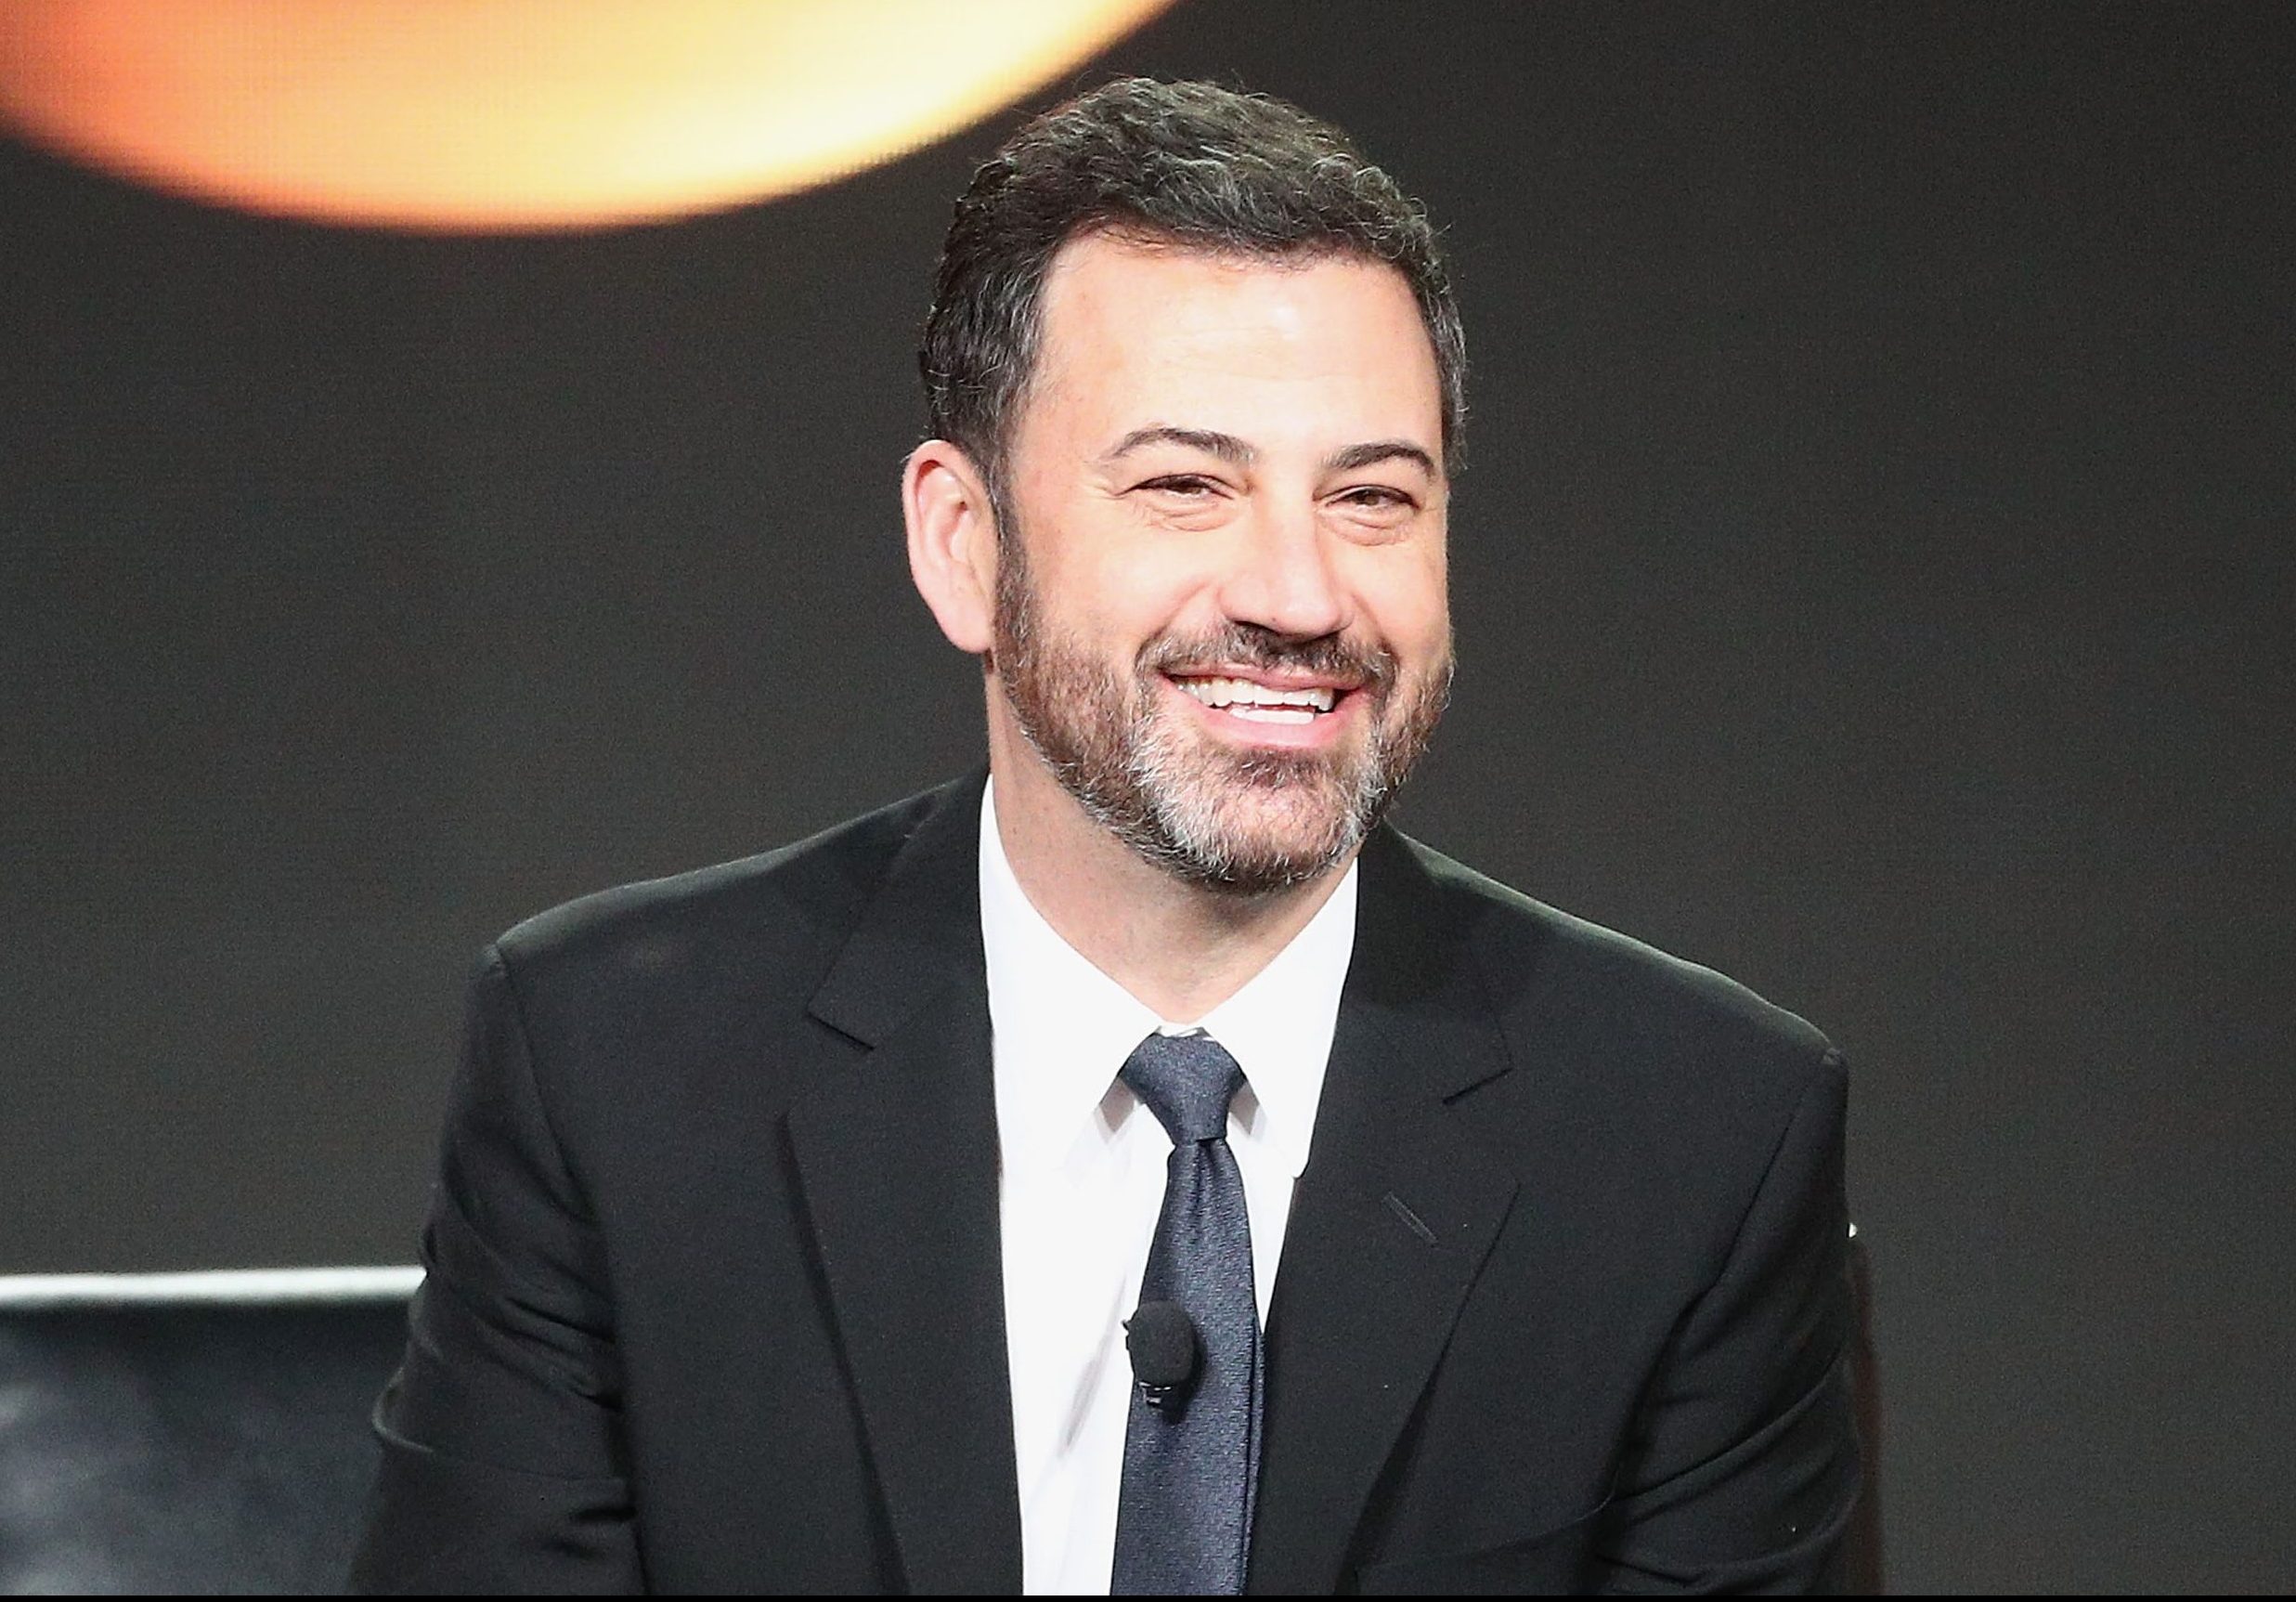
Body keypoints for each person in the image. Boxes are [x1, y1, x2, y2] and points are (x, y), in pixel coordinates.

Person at [353, 77, 1860, 1595]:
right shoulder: (617, 1070)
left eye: (1372, 496)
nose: (1298, 592)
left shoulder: (1692, 1139)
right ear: (964, 545)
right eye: (1185, 485)